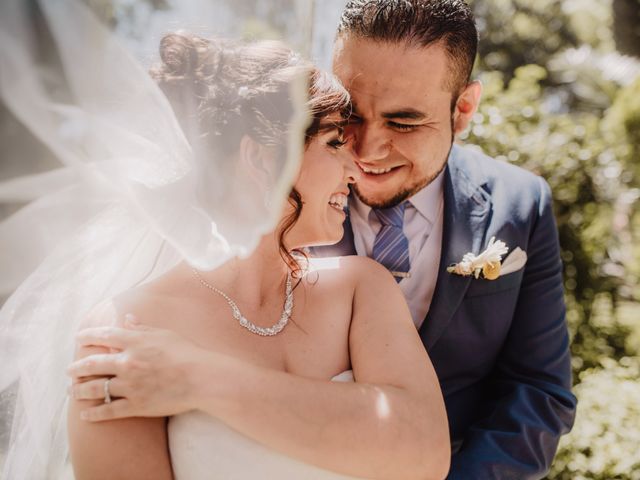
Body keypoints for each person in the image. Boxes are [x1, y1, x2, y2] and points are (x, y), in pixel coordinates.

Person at [69, 0, 577, 478]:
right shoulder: (134, 321)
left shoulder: (503, 212)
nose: (365, 153)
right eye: (346, 123)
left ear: (462, 109)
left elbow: (533, 390)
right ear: (261, 153)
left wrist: (199, 379)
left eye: (403, 121)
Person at [66, 33, 450, 480]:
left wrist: (198, 378)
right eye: (333, 143)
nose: (353, 169)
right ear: (262, 159)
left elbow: (426, 454)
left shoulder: (362, 289)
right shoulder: (123, 329)